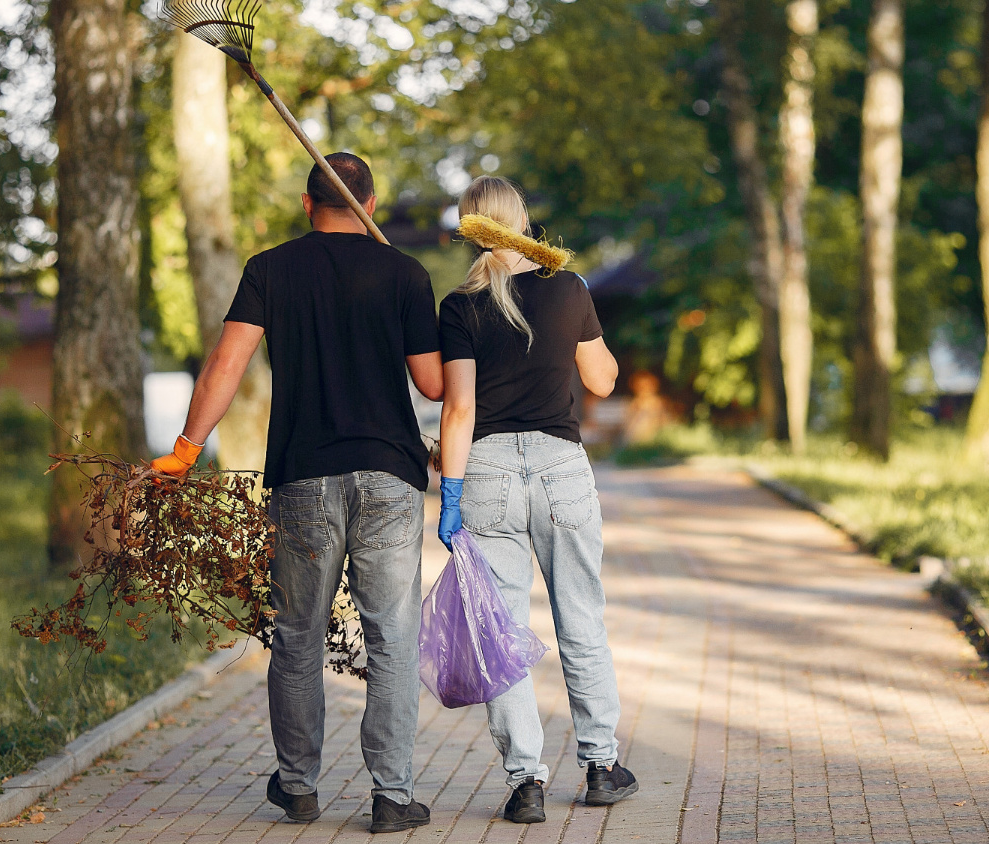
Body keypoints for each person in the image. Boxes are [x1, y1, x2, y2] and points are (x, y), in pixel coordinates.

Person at [149, 153, 442, 834]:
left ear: (308, 206)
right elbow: (431, 384)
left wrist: (187, 449)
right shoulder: (404, 272)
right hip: (390, 475)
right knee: (394, 639)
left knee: (298, 635)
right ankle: (393, 797)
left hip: (304, 475)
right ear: (370, 205)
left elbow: (227, 361)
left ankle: (299, 787)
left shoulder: (271, 268)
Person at [435, 176, 637, 824]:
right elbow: (602, 379)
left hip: (488, 469)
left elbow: (460, 407)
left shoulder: (459, 307)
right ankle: (602, 765)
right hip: (560, 466)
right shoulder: (569, 290)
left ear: (471, 226)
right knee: (582, 618)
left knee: (499, 631)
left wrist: (451, 494)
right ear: (521, 220)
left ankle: (526, 782)